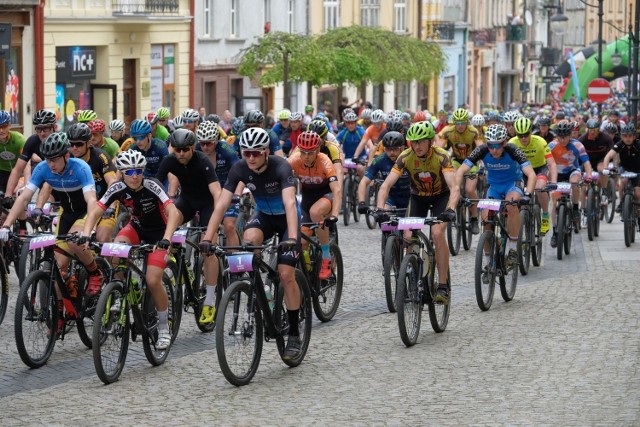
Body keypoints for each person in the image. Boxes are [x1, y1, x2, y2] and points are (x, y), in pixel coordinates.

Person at [199, 127, 304, 360]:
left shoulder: (281, 167)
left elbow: (289, 204)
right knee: (248, 241)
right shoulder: (239, 168)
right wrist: (208, 237)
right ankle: (260, 290)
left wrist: (292, 238)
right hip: (264, 215)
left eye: (256, 153)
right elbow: (221, 205)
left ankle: (295, 333)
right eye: (246, 153)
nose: (251, 158)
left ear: (267, 151)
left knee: (286, 274)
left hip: (288, 219)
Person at [0, 132, 105, 332]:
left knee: (75, 242)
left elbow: (92, 200)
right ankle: (58, 314)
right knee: (57, 268)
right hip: (66, 214)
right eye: (48, 159)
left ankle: (94, 271)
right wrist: (6, 226)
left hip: (86, 212)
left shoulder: (80, 168)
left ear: (66, 155)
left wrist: (89, 229)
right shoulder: (43, 168)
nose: (51, 164)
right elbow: (23, 199)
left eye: (55, 159)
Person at [81, 150, 181, 350]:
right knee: (114, 250)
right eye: (129, 172)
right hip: (136, 228)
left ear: (143, 171)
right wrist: (86, 233)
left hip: (159, 233)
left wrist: (167, 239)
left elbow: (173, 212)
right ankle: (121, 286)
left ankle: (163, 327)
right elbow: (96, 211)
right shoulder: (117, 187)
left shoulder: (152, 185)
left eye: (138, 171)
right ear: (121, 173)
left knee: (153, 280)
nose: (134, 176)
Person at [375, 121, 459, 304]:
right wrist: (380, 208)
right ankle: (415, 272)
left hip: (440, 197)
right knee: (407, 236)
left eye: (421, 141)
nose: (417, 146)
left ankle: (443, 285)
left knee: (437, 233)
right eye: (413, 142)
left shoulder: (441, 156)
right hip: (418, 198)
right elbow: (386, 185)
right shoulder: (405, 157)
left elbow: (454, 187)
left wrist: (451, 209)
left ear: (430, 141)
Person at [155, 129, 223, 324]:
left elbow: (217, 193)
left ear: (193, 147)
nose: (181, 153)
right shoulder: (170, 160)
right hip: (186, 201)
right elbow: (156, 186)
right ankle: (179, 262)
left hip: (207, 203)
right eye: (178, 149)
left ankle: (210, 301)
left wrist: (216, 221)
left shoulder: (202, 161)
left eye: (185, 149)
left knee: (207, 250)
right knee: (167, 226)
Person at [457, 124, 536, 268]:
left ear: (505, 142)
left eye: (498, 146)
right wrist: (456, 192)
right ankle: (488, 263)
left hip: (513, 184)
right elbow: (461, 171)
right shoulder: (481, 150)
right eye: (491, 145)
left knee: (511, 205)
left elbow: (531, 174)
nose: (494, 150)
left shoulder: (513, 150)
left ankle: (512, 248)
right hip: (494, 188)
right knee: (486, 219)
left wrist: (528, 194)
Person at [288, 131, 341, 279]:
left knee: (316, 212)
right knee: (303, 241)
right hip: (307, 199)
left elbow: (336, 190)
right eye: (303, 152)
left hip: (326, 196)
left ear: (317, 150)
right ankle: (308, 274)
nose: (306, 156)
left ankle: (326, 257)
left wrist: (335, 215)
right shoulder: (294, 160)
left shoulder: (324, 161)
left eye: (310, 153)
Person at [64, 122, 118, 243]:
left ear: (88, 143)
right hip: (85, 203)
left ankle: (110, 261)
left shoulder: (100, 156)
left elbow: (113, 181)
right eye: (71, 144)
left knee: (101, 238)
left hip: (105, 200)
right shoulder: (68, 157)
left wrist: (111, 206)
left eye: (78, 144)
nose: (74, 148)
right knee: (75, 238)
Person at [548, 120, 594, 248]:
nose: (562, 140)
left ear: (570, 135)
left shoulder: (578, 145)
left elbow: (586, 163)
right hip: (557, 173)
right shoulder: (551, 146)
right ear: (557, 136)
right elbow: (545, 163)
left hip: (572, 171)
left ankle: (574, 208)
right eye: (560, 137)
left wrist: (589, 175)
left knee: (575, 182)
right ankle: (555, 232)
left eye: (565, 137)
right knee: (554, 201)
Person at [196, 121, 241, 249]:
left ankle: (234, 261)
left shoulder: (227, 150)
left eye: (209, 143)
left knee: (229, 226)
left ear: (216, 140)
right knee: (206, 227)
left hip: (228, 188)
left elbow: (240, 174)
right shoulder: (196, 149)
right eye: (202, 143)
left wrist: (237, 194)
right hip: (208, 189)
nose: (204, 147)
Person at [437, 108, 482, 234]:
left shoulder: (473, 131)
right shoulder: (448, 131)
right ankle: (456, 203)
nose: (460, 126)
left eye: (463, 123)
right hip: (456, 160)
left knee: (470, 189)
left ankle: (473, 218)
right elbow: (438, 148)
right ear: (453, 122)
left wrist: (483, 162)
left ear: (467, 122)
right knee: (454, 186)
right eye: (457, 123)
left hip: (471, 161)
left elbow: (480, 147)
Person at [510, 117, 558, 234]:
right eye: (520, 135)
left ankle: (545, 215)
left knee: (540, 188)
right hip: (522, 171)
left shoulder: (540, 141)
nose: (523, 138)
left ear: (531, 132)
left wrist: (553, 182)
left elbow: (551, 163)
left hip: (539, 169)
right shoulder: (512, 143)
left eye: (526, 134)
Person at [357, 131, 410, 213]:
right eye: (388, 149)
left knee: (410, 225)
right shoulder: (380, 160)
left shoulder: (410, 158)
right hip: (390, 197)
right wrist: (361, 202)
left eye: (395, 149)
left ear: (402, 148)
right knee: (383, 215)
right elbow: (364, 182)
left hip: (410, 197)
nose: (392, 153)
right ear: (384, 149)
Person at [602, 124, 640, 222]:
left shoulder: (638, 144)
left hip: (638, 170)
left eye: (630, 136)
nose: (627, 138)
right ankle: (622, 203)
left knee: (637, 192)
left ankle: (639, 215)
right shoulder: (620, 144)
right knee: (623, 181)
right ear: (622, 137)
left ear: (634, 136)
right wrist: (606, 168)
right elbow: (608, 157)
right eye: (625, 136)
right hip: (625, 168)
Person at [0, 110, 26, 194]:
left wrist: (24, 181)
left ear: (10, 125)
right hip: (2, 172)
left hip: (20, 172)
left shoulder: (18, 139)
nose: (1, 130)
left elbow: (27, 160)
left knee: (17, 192)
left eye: (4, 126)